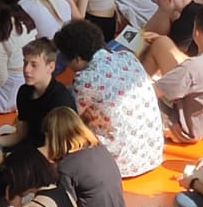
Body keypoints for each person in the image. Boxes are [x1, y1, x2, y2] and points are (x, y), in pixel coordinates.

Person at [53, 19, 163, 181]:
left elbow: (70, 117)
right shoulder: (128, 57)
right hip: (152, 154)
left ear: (76, 59)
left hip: (118, 165)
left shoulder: (85, 79)